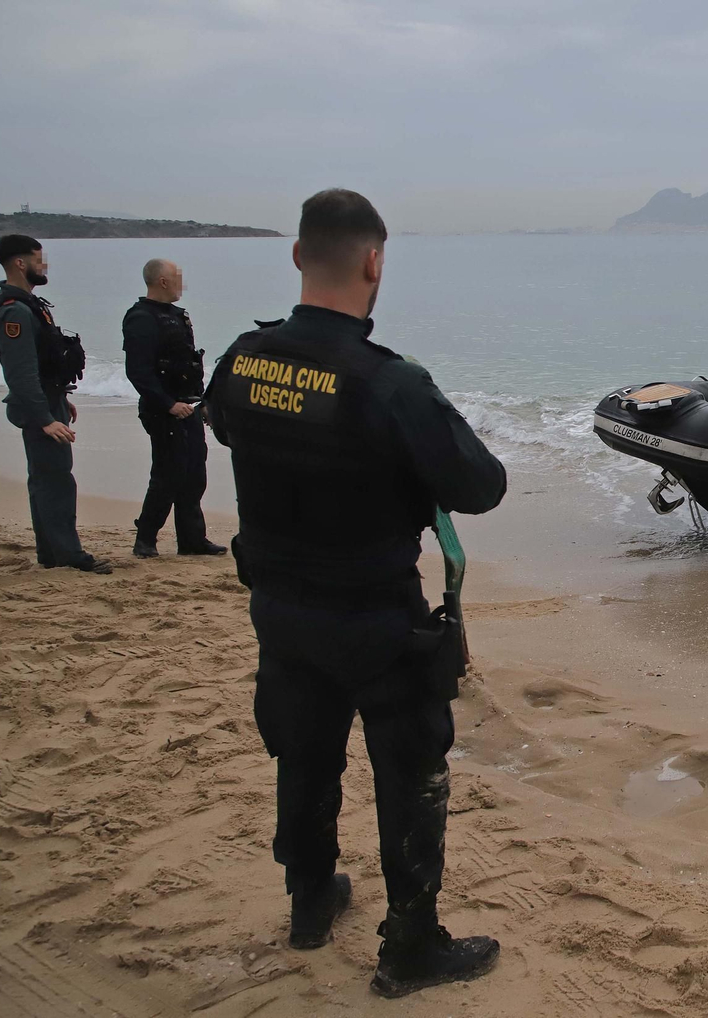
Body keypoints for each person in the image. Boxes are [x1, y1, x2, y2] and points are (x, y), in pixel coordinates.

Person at [205, 189, 507, 998]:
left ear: (299, 256)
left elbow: (226, 426)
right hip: (374, 616)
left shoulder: (242, 357)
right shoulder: (390, 383)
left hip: (279, 605)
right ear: (375, 262)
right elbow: (480, 486)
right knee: (410, 776)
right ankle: (410, 948)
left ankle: (310, 899)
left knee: (303, 753)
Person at [0, 235, 110, 574]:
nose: (44, 266)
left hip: (48, 400)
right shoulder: (14, 311)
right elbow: (21, 372)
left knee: (46, 478)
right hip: (37, 407)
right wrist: (44, 417)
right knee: (55, 480)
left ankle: (51, 552)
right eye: (39, 259)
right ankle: (67, 555)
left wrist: (61, 399)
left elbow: (43, 364)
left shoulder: (29, 305)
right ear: (21, 263)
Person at [123, 259, 225, 559]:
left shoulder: (179, 316)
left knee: (195, 474)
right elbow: (138, 372)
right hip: (161, 409)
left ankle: (192, 540)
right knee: (168, 475)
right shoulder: (141, 318)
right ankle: (145, 539)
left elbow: (189, 364)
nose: (182, 282)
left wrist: (201, 402)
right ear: (163, 281)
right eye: (177, 277)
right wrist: (168, 405)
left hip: (188, 405)